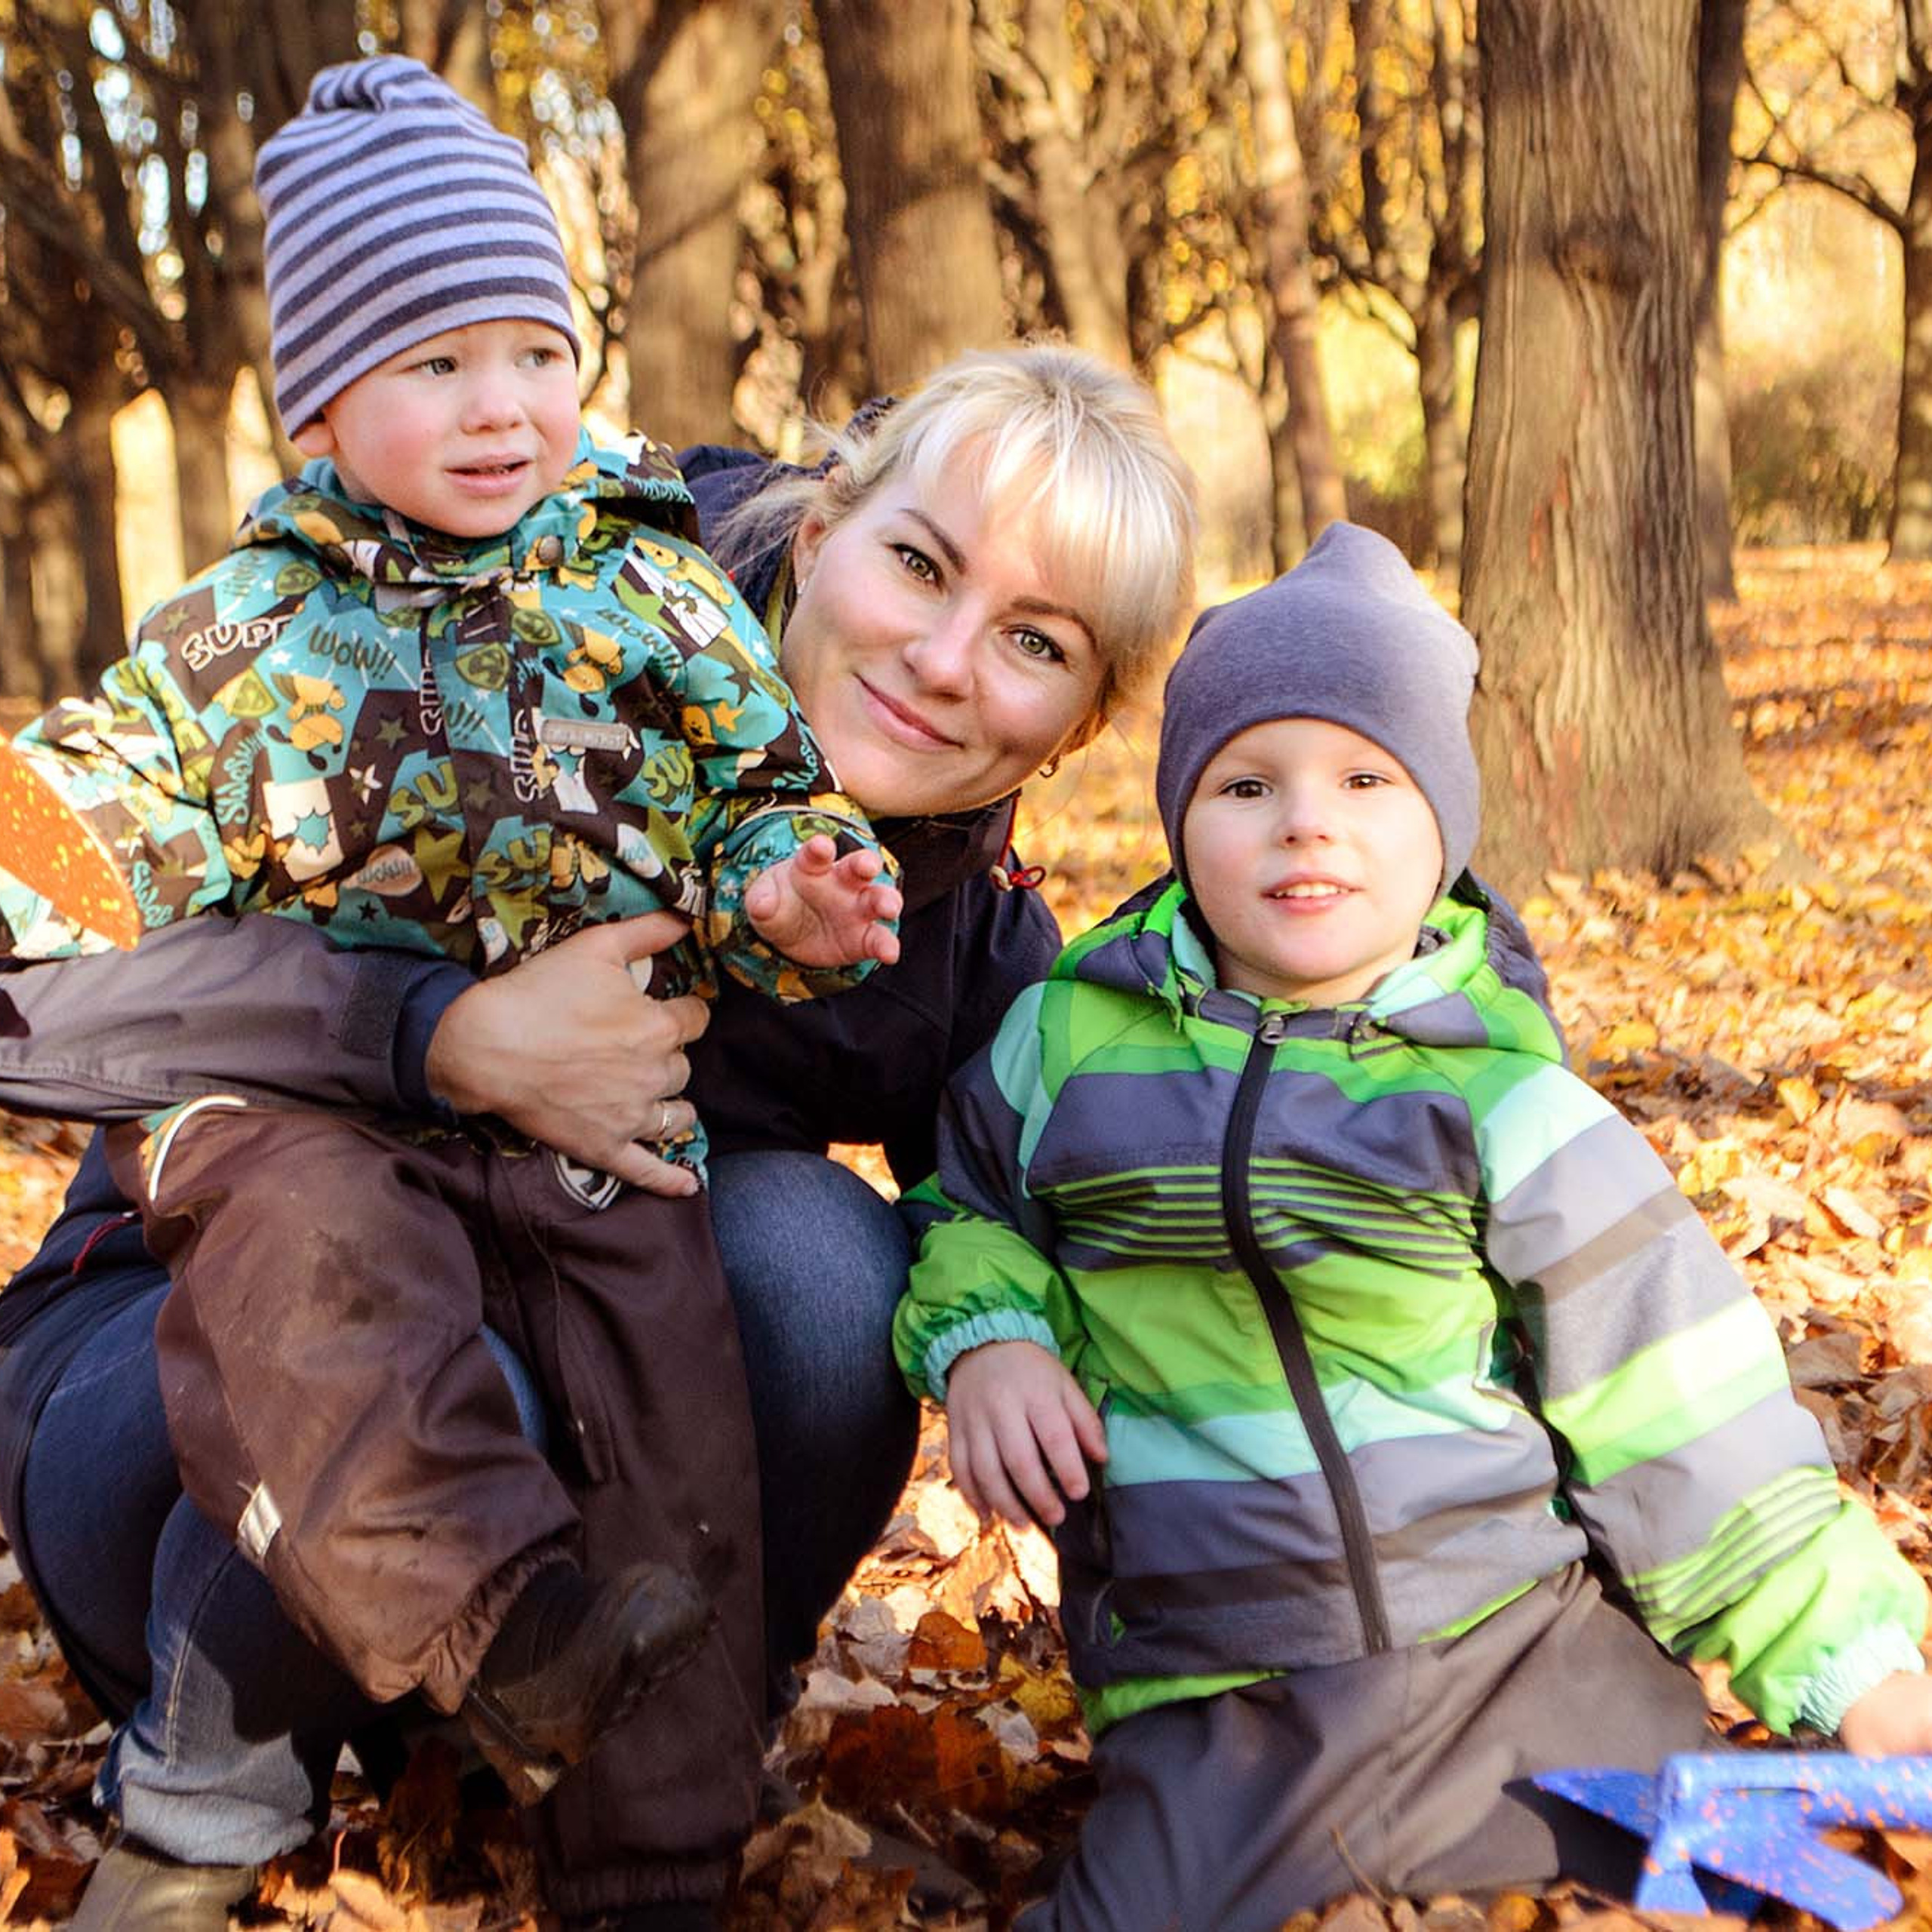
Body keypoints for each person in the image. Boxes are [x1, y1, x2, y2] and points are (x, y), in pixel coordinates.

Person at [0, 340, 1205, 1927]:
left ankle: (643, 1762)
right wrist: (434, 1035)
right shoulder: (489, 597)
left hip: (572, 1546)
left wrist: (1224, 1723)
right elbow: (34, 981)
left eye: (1032, 641)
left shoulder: (959, 954)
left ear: (1079, 720)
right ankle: (197, 1820)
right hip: (181, 1404)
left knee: (829, 1266)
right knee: (423, 1339)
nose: (938, 656)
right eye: (917, 561)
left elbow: (1103, 1311)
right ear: (826, 515)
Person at [0, 54, 905, 1931]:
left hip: (595, 1151)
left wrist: (786, 890)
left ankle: (649, 1855)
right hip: (322, 1140)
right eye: (434, 365)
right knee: (325, 1294)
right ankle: (211, 1810)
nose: (502, 408)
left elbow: (738, 802)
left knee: (675, 1428)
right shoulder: (240, 638)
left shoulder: (655, 593)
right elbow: (69, 866)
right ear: (323, 402)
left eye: (536, 352)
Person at [893, 521, 1932, 1932]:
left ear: (1443, 826)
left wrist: (1852, 1666)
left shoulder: (1503, 1096)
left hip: (1511, 1642)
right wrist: (993, 1340)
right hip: (1225, 1687)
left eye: (1365, 780)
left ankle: (1785, 1793)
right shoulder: (1073, 1040)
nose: (1305, 822)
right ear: (1181, 821)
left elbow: (1678, 1397)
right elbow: (967, 1202)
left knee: (1785, 1896)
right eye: (1247, 783)